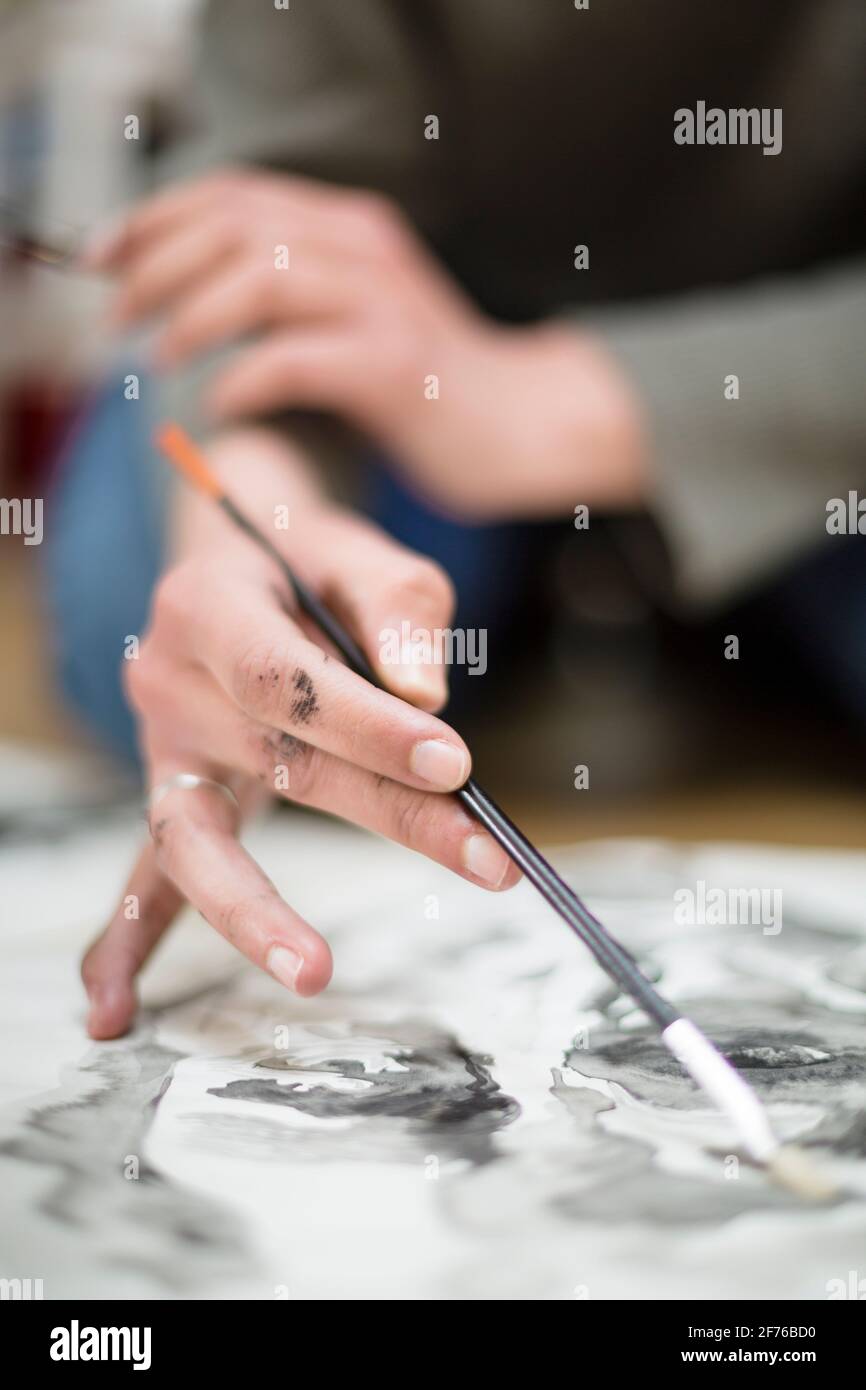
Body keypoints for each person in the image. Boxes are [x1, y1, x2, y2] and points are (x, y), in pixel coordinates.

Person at [72, 0, 866, 1039]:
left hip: (811, 346)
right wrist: (257, 499)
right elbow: (266, 200)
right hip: (411, 342)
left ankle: (677, 578)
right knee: (141, 625)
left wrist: (563, 406)